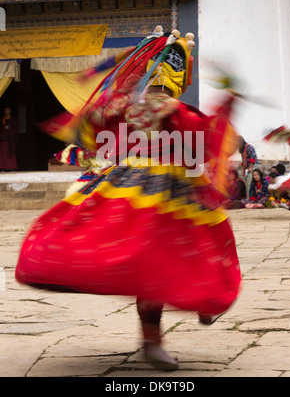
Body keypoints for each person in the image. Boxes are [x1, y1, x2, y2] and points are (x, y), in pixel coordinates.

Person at [15, 28, 242, 371]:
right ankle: (184, 318)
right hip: (154, 198)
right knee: (177, 257)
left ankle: (168, 327)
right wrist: (228, 101)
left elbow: (95, 125)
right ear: (181, 76)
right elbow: (211, 139)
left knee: (171, 259)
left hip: (151, 195)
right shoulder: (175, 112)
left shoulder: (133, 107)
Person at [0, 106, 18, 171]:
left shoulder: (13, 119)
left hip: (11, 140)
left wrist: (10, 128)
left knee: (11, 154)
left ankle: (12, 168)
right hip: (3, 139)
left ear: (10, 111)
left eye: (8, 110)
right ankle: (3, 168)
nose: (6, 112)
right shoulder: (2, 119)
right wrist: (4, 129)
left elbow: (16, 129)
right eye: (5, 110)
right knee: (3, 154)